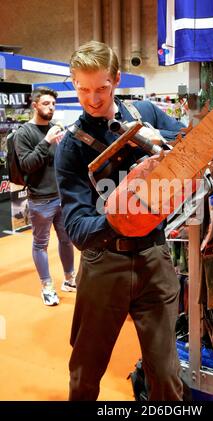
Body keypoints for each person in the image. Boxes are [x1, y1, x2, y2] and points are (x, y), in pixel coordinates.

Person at [55, 40, 186, 401]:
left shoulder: (145, 112)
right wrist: (118, 219)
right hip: (102, 263)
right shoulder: (71, 147)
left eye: (101, 88)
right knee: (85, 370)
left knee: (166, 375)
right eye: (82, 89)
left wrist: (164, 141)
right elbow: (78, 227)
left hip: (154, 258)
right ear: (73, 84)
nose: (92, 99)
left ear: (115, 80)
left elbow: (188, 139)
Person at [15, 87, 76, 306]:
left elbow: (61, 163)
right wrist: (47, 142)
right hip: (40, 199)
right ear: (35, 105)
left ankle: (69, 279)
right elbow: (27, 165)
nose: (50, 107)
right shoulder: (24, 133)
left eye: (53, 104)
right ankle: (47, 286)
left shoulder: (54, 128)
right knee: (40, 244)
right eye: (45, 104)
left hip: (61, 196)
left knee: (67, 239)